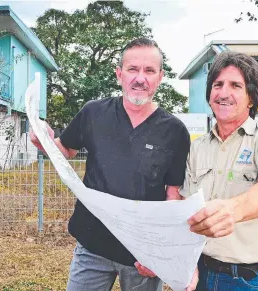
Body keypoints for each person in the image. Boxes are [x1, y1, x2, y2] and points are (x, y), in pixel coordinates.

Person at [31, 38, 198, 291]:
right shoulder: (93, 113)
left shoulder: (175, 131)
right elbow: (66, 149)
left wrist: (160, 253)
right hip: (92, 244)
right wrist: (43, 138)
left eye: (149, 70)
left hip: (142, 255)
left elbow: (172, 195)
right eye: (133, 69)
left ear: (160, 77)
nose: (140, 78)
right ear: (119, 73)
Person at [181, 51, 258, 291]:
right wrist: (184, 260)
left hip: (245, 280)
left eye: (236, 85)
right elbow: (186, 207)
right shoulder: (197, 148)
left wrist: (232, 209)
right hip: (198, 273)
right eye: (218, 84)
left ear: (251, 98)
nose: (224, 93)